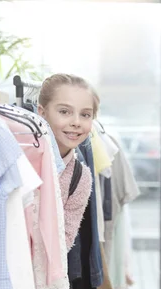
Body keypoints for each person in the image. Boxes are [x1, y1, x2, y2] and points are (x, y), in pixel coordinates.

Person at [38, 73, 100, 249]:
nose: (76, 122)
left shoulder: (80, 178)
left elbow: (63, 242)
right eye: (64, 112)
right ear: (42, 113)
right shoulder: (19, 156)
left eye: (85, 115)